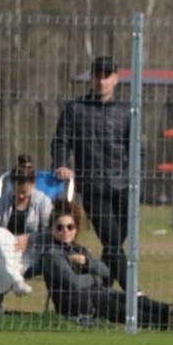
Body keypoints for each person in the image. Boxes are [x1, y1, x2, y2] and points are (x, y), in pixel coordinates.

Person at [39, 207, 173, 329]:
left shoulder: (80, 250)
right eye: (59, 227)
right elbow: (73, 283)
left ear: (76, 229)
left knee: (128, 297)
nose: (65, 231)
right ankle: (171, 321)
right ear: (51, 229)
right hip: (76, 303)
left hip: (95, 293)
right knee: (121, 307)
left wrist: (87, 262)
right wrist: (94, 278)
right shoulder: (53, 255)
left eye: (70, 227)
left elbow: (105, 272)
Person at [51, 55, 131, 289]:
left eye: (106, 76)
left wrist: (137, 181)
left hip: (124, 187)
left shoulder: (127, 111)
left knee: (112, 246)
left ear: (115, 79)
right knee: (112, 243)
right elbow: (61, 140)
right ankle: (135, 296)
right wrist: (61, 163)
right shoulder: (76, 109)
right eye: (97, 76)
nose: (101, 81)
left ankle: (102, 292)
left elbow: (137, 150)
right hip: (93, 188)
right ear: (91, 78)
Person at [0, 154, 52, 318]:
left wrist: (30, 238)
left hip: (29, 254)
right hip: (2, 251)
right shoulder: (0, 203)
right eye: (16, 191)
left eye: (24, 192)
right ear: (11, 185)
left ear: (33, 184)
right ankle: (16, 281)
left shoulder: (44, 202)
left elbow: (51, 233)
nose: (20, 196)